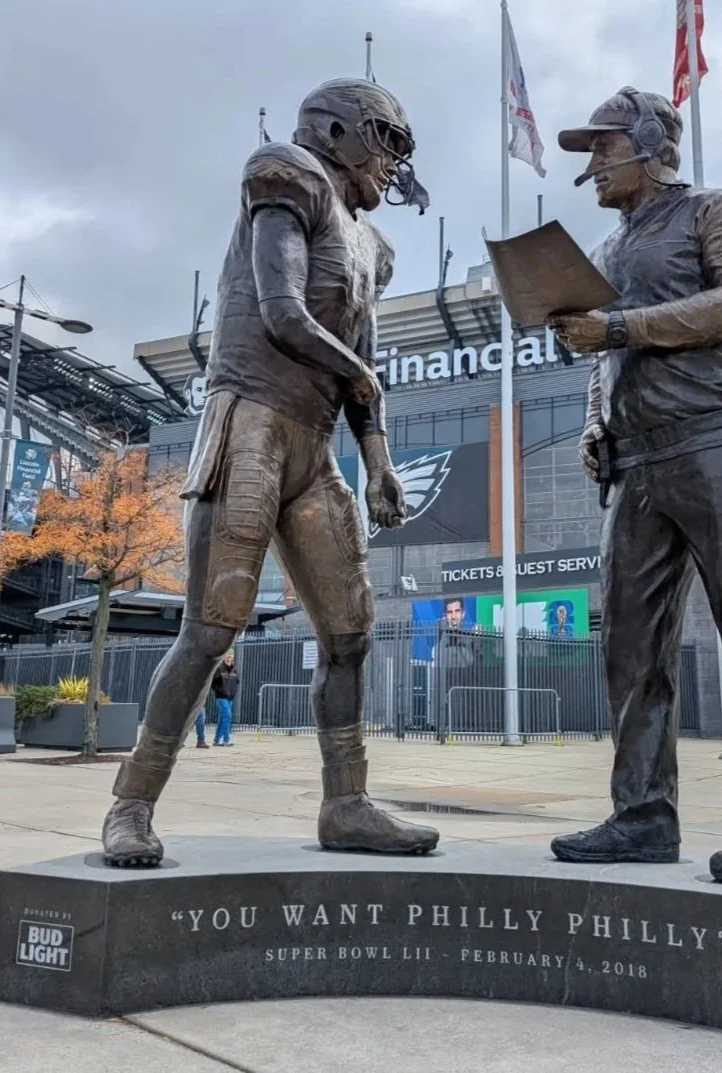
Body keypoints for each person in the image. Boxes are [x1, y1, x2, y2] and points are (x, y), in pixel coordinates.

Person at [100, 77, 439, 866]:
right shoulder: (284, 173)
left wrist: (379, 458)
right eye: (384, 136)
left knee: (350, 633)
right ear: (330, 127)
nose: (393, 160)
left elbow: (363, 364)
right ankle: (131, 803)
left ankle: (345, 802)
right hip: (250, 418)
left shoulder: (369, 244)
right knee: (211, 626)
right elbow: (283, 310)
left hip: (314, 446)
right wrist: (367, 384)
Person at [546, 88, 722, 885]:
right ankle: (640, 817)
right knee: (629, 649)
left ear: (645, 145)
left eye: (600, 147)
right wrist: (596, 422)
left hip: (718, 442)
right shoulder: (602, 248)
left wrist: (622, 326)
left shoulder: (713, 209)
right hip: (636, 463)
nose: (590, 165)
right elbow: (603, 356)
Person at [212, 650, 239, 746]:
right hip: (221, 696)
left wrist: (233, 692)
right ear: (224, 656)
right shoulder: (219, 668)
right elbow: (213, 682)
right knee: (227, 716)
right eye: (227, 654)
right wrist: (220, 690)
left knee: (222, 717)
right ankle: (226, 739)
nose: (229, 656)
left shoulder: (235, 669)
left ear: (233, 656)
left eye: (231, 654)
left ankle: (216, 740)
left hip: (230, 697)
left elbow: (237, 681)